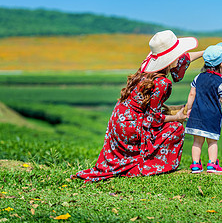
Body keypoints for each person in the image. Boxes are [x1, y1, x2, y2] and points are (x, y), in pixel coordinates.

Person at [72, 30, 203, 182]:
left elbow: (147, 107)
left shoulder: (146, 70)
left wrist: (205, 53)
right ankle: (144, 165)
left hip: (118, 122)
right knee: (176, 128)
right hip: (132, 127)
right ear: (173, 59)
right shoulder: (162, 83)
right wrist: (177, 116)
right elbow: (153, 119)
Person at [185, 42, 222, 173]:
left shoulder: (198, 77)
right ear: (221, 64)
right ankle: (212, 164)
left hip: (196, 114)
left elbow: (192, 93)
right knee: (212, 141)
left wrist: (188, 109)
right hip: (212, 116)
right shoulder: (220, 81)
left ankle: (195, 164)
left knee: (197, 141)